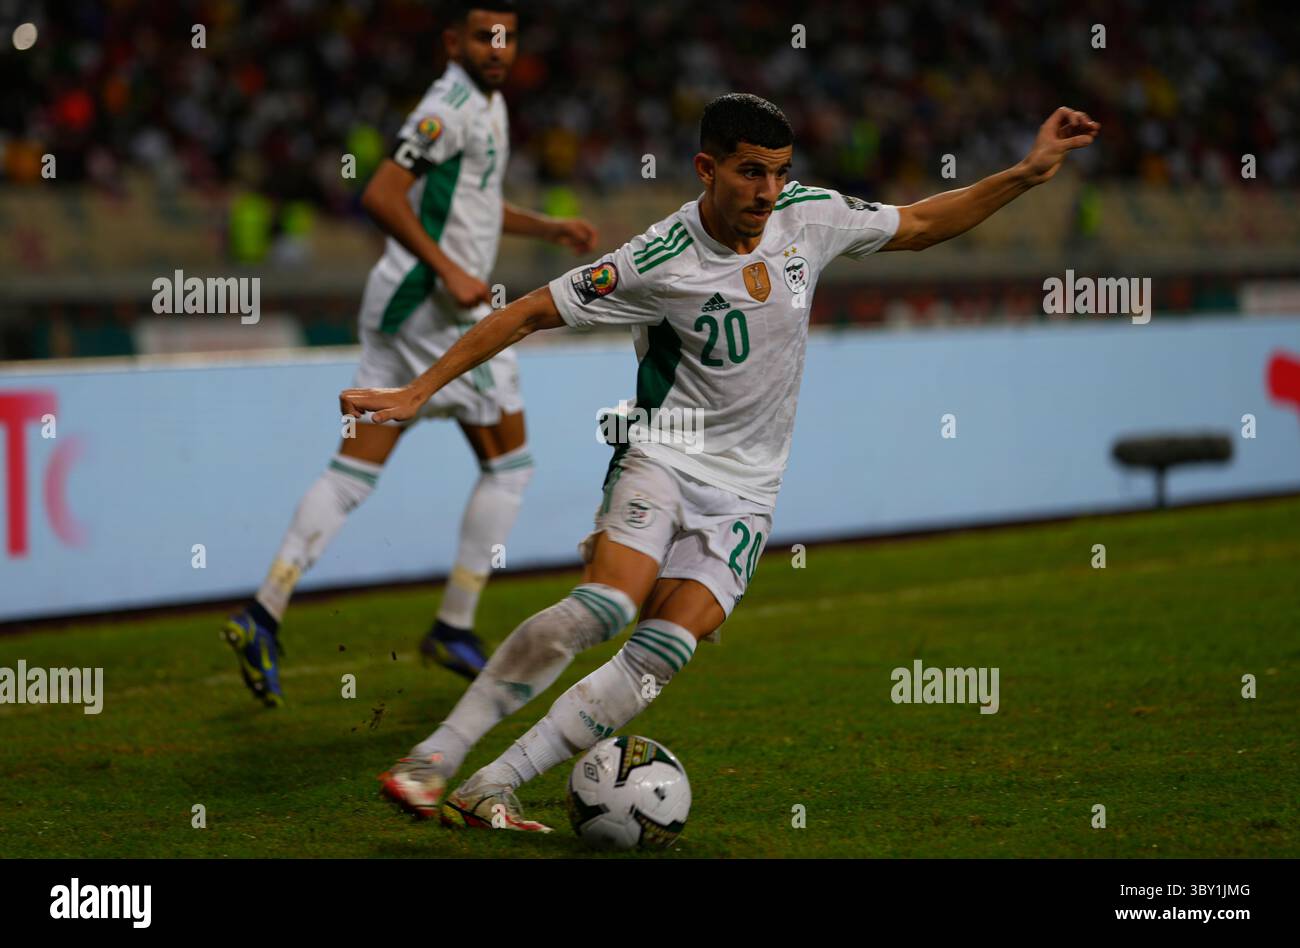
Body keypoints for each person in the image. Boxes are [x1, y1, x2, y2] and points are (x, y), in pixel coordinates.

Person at [342, 93, 1099, 829]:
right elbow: (527, 309)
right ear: (707, 168)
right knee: (607, 605)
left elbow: (926, 222)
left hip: (748, 492)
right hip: (666, 455)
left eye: (777, 171)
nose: (767, 191)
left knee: (662, 652)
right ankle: (432, 760)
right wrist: (417, 391)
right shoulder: (660, 257)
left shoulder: (809, 217)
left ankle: (493, 785)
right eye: (749, 172)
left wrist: (1027, 172)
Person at [223, 1, 597, 706]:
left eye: (508, 36)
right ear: (452, 41)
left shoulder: (487, 105)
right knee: (510, 465)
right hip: (437, 308)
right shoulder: (447, 107)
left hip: (401, 306)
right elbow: (383, 195)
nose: (497, 47)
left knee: (353, 469)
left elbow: (472, 205)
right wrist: (451, 271)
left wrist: (544, 228)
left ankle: (263, 612)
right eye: (484, 35)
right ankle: (454, 623)